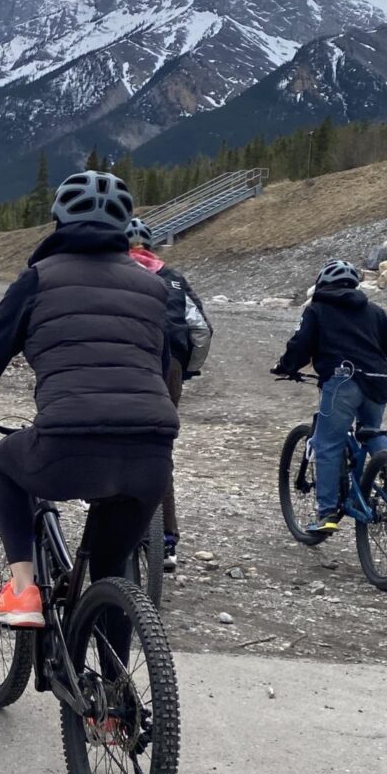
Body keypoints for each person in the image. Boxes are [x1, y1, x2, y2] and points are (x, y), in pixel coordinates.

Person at [0, 171, 178, 628]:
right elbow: (160, 368)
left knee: (6, 461)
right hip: (152, 452)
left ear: (58, 220)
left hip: (68, 444)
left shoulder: (39, 279)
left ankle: (21, 590)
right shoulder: (155, 288)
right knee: (111, 570)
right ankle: (113, 694)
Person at [271, 259, 387, 536]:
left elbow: (301, 344)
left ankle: (327, 513)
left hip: (342, 380)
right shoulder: (374, 311)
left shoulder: (317, 309)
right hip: (377, 380)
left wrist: (286, 366)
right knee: (372, 431)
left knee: (326, 443)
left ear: (323, 284)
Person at [126, 218, 208, 573]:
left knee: (115, 437)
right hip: (170, 365)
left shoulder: (110, 272)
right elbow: (201, 329)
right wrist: (187, 367)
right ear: (151, 248)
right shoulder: (173, 278)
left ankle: (113, 519)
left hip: (126, 361)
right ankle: (167, 541)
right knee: (158, 448)